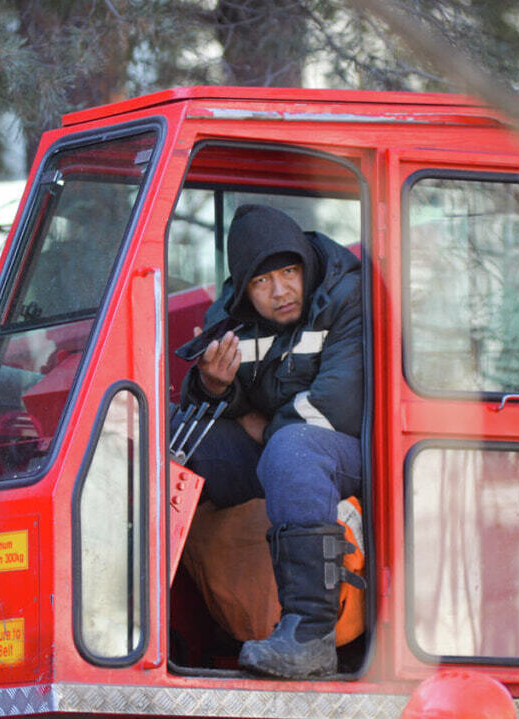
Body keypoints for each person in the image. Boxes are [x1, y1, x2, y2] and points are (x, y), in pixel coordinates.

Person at [176, 203, 364, 679]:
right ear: (244, 288)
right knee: (182, 437)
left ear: (304, 263)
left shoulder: (347, 295)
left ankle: (310, 634)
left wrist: (265, 425)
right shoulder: (231, 317)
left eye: (288, 271)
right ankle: (183, 628)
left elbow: (337, 408)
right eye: (262, 282)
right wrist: (216, 387)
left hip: (351, 453)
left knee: (292, 448)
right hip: (283, 454)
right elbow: (204, 403)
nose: (280, 291)